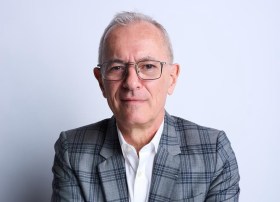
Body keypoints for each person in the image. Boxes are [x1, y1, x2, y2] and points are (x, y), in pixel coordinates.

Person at [51, 11, 240, 202]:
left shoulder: (213, 152)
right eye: (117, 67)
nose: (132, 82)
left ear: (172, 78)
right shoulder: (72, 152)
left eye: (148, 66)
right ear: (101, 82)